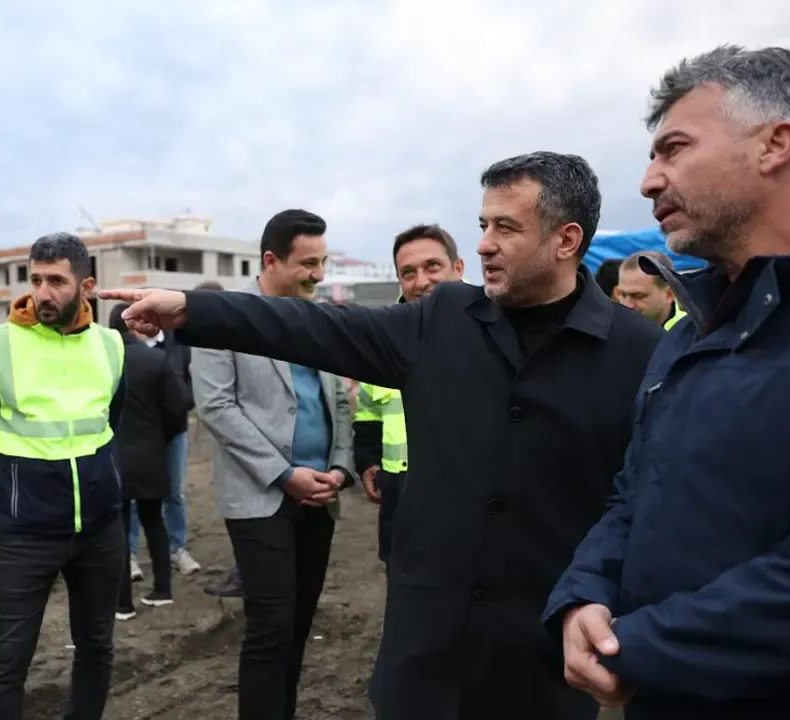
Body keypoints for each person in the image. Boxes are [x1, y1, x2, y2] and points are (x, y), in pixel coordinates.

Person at [101, 153, 663, 720]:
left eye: (506, 227)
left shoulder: (638, 354)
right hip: (427, 656)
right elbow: (316, 327)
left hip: (540, 660)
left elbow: (644, 503)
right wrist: (191, 310)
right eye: (483, 225)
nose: (485, 245)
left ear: (566, 240)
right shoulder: (443, 319)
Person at [546, 45, 790, 720]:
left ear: (775, 144)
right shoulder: (692, 331)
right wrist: (584, 595)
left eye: (674, 149)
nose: (648, 181)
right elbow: (635, 495)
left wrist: (638, 648)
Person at [183, 209, 356, 719]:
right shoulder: (224, 318)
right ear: (271, 260)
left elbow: (339, 399)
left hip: (320, 493)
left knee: (298, 625)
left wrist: (340, 467)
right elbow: (216, 407)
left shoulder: (318, 318)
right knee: (271, 626)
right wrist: (284, 475)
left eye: (322, 262)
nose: (318, 275)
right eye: (308, 263)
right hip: (261, 497)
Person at [0, 232, 127, 719]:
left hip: (101, 526)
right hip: (27, 531)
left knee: (96, 645)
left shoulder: (111, 345)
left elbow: (111, 421)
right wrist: (20, 483)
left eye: (56, 281)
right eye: (35, 280)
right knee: (8, 657)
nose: (42, 293)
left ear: (86, 286)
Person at [353, 224, 464, 567]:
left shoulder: (494, 332)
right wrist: (368, 460)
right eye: (408, 273)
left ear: (458, 268)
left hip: (467, 492)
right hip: (401, 493)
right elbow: (368, 410)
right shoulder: (383, 341)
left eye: (433, 266)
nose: (421, 281)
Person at [107, 303, 191, 620]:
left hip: (112, 456)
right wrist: (160, 438)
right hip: (151, 453)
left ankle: (122, 603)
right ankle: (162, 590)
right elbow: (177, 409)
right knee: (153, 520)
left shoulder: (102, 363)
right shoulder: (156, 360)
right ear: (133, 326)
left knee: (118, 528)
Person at [128, 311, 202, 581]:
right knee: (133, 494)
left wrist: (181, 404)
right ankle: (130, 553)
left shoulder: (179, 343)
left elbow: (192, 384)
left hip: (174, 431)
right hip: (138, 434)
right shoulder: (126, 348)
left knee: (175, 492)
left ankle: (177, 548)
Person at [614, 250, 686, 329]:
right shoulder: (614, 326)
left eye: (638, 295)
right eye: (623, 294)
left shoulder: (690, 330)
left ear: (669, 295)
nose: (627, 305)